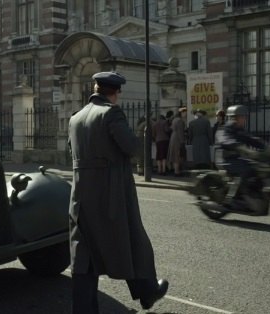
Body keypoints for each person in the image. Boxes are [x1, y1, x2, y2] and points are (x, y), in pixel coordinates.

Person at [68, 71, 169, 313]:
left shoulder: (76, 118)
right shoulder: (111, 113)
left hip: (80, 198)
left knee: (83, 256)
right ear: (116, 92)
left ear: (96, 88)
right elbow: (131, 147)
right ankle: (147, 291)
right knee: (132, 240)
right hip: (110, 194)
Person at [218, 105, 269, 211]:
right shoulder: (227, 128)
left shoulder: (239, 129)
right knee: (246, 170)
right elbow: (225, 140)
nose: (244, 119)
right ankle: (233, 199)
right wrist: (237, 146)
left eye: (244, 117)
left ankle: (252, 195)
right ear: (235, 117)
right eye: (242, 117)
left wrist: (266, 147)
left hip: (237, 159)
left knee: (257, 168)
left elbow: (251, 139)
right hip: (228, 160)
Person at [167, 107, 187, 176]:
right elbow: (180, 132)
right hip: (177, 139)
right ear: (182, 113)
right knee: (177, 155)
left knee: (175, 155)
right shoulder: (180, 121)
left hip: (173, 137)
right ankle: (177, 171)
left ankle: (176, 170)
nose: (185, 114)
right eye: (185, 113)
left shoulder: (175, 119)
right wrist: (182, 142)